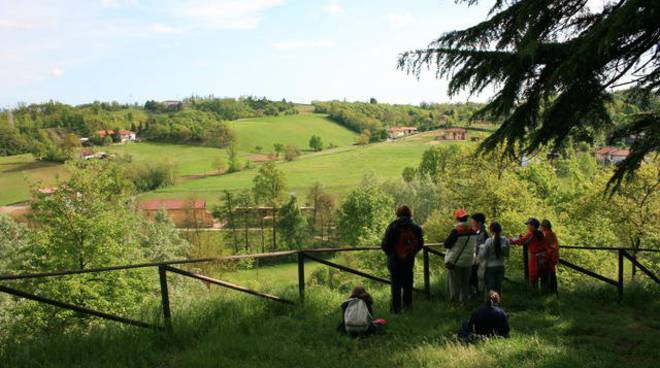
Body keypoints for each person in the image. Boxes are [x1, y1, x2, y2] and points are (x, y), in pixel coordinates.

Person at [381, 205, 424, 313]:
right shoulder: (416, 227)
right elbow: (420, 244)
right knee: (408, 284)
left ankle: (396, 310)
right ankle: (408, 307)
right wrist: (411, 253)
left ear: (398, 213)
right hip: (409, 260)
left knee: (395, 285)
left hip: (395, 261)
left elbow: (385, 244)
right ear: (409, 213)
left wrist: (392, 254)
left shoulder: (393, 226)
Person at [444, 208, 478, 303]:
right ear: (466, 219)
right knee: (465, 285)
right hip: (469, 261)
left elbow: (446, 244)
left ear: (457, 219)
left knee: (455, 285)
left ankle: (454, 305)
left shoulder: (456, 231)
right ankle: (464, 304)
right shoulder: (473, 231)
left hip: (456, 262)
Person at [510, 218, 548, 289]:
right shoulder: (540, 233)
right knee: (543, 276)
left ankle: (534, 293)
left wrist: (511, 240)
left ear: (533, 226)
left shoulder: (531, 234)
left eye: (528, 224)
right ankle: (544, 293)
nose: (527, 226)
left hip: (536, 258)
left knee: (533, 276)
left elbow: (521, 241)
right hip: (544, 257)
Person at [478, 222, 509, 297]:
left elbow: (484, 255)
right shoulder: (505, 240)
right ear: (500, 230)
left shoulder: (489, 241)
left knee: (490, 287)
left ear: (491, 230)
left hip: (490, 266)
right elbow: (507, 254)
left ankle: (490, 305)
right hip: (501, 266)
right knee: (498, 287)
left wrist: (481, 248)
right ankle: (497, 305)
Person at [470, 213, 489, 297]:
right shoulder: (471, 231)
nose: (472, 223)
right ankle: (474, 293)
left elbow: (485, 247)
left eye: (473, 221)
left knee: (478, 277)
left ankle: (479, 293)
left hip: (480, 260)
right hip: (471, 259)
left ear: (479, 223)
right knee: (471, 277)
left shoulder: (484, 234)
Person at [540, 219, 559, 293]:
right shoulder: (552, 234)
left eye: (541, 226)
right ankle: (553, 292)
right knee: (552, 275)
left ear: (544, 227)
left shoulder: (545, 234)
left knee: (545, 276)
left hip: (547, 258)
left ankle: (546, 292)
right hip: (552, 258)